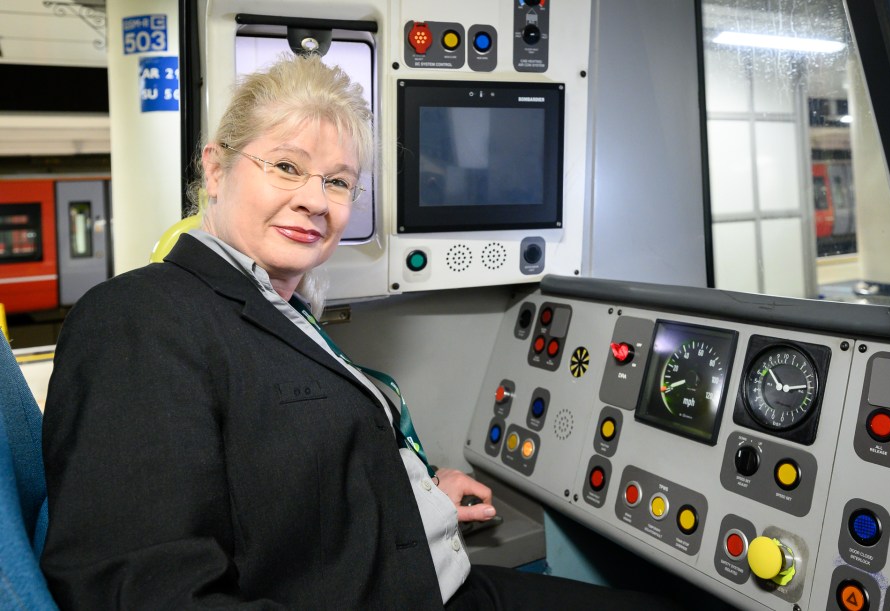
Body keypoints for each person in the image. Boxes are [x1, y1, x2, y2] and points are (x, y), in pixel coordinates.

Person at [41, 53, 672, 609]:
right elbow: (138, 589)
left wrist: (415, 492)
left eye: (338, 181)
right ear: (215, 168)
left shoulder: (280, 309)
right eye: (287, 167)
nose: (317, 200)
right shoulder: (139, 320)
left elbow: (283, 483)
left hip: (435, 579)